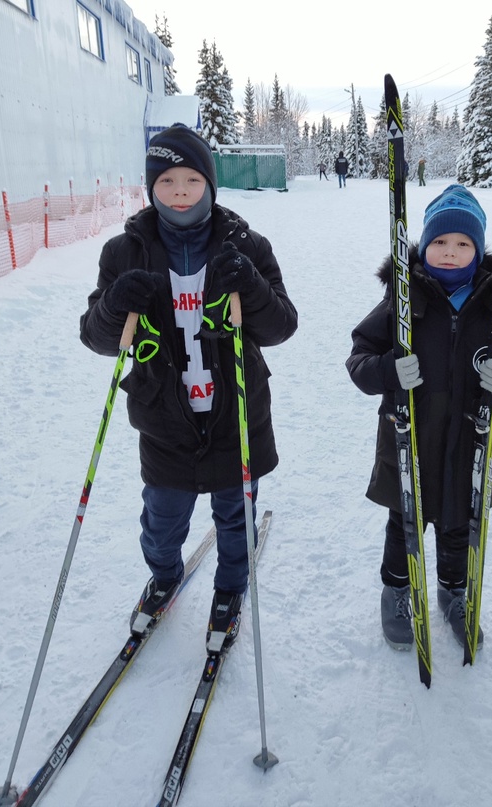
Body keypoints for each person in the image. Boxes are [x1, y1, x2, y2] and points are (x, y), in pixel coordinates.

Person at [80, 124, 297, 653]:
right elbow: (97, 337)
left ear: (210, 184)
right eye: (168, 180)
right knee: (161, 521)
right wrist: (113, 305)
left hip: (236, 416)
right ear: (151, 185)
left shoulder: (246, 245)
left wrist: (252, 286)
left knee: (234, 517)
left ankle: (229, 589)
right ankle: (164, 575)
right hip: (164, 421)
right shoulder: (124, 252)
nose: (180, 191)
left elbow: (281, 326)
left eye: (192, 179)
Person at [345, 184, 492, 651]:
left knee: (461, 526)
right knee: (404, 523)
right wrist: (388, 370)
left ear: (479, 250)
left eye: (463, 244)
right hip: (408, 439)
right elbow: (358, 360)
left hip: (470, 443)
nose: (451, 253)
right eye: (439, 242)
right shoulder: (403, 299)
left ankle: (453, 592)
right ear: (424, 245)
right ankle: (397, 589)